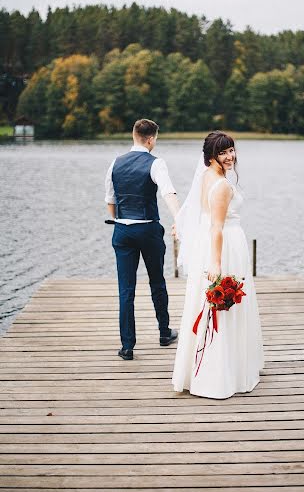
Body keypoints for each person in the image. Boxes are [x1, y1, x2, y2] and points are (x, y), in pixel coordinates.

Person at [172, 131, 264, 398]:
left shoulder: (205, 176)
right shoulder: (222, 185)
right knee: (223, 308)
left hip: (209, 245)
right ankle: (222, 373)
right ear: (211, 155)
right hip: (224, 247)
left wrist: (180, 224)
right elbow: (217, 226)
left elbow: (198, 213)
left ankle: (202, 371)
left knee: (209, 306)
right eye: (223, 152)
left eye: (232, 150)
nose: (230, 156)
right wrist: (216, 262)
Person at [105, 119, 180, 360]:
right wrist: (180, 219)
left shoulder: (115, 163)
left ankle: (127, 347)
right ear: (150, 139)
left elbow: (111, 201)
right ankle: (164, 332)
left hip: (123, 231)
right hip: (148, 230)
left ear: (133, 135)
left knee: (125, 290)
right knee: (157, 282)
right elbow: (168, 191)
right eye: (155, 139)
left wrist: (122, 221)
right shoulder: (156, 163)